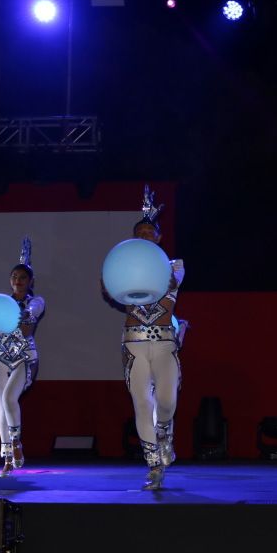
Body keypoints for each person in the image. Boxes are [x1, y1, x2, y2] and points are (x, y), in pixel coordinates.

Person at [102, 186, 185, 491]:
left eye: (151, 232)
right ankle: (153, 465)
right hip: (134, 342)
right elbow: (111, 291)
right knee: (141, 402)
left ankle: (164, 433)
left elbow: (169, 288)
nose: (146, 236)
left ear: (159, 238)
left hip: (164, 341)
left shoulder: (175, 265)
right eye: (140, 233)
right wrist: (110, 281)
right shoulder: (123, 267)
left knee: (166, 401)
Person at [0, 237, 45, 477]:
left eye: (23, 277)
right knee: (1, 406)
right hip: (0, 356)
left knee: (9, 398)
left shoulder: (36, 301)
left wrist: (24, 312)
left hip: (24, 357)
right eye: (14, 277)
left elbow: (29, 320)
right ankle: (7, 459)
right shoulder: (1, 303)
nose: (18, 281)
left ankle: (16, 441)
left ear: (31, 281)